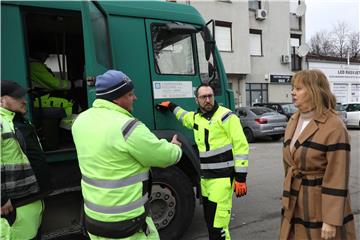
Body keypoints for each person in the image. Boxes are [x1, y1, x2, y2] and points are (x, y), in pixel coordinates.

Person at [71, 70, 182, 240]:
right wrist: (175, 147)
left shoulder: (80, 121)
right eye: (130, 94)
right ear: (115, 98)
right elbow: (164, 156)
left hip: (93, 220)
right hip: (127, 225)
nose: (135, 98)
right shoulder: (128, 127)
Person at [157, 83, 249, 240]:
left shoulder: (227, 117)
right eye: (203, 97)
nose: (208, 100)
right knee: (210, 223)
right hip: (206, 180)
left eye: (210, 96)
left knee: (218, 228)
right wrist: (171, 106)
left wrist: (241, 178)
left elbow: (241, 146)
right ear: (197, 100)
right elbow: (183, 116)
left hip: (222, 180)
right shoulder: (196, 118)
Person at [280, 70, 356, 240]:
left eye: (299, 88)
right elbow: (289, 164)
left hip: (320, 207)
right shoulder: (293, 120)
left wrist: (331, 220)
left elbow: (337, 176)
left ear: (314, 90)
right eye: (293, 88)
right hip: (294, 202)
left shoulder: (334, 126)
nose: (293, 92)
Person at [1, 80, 51, 239]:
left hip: (32, 200)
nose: (24, 100)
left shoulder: (21, 121)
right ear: (1, 100)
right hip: (15, 206)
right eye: (17, 97)